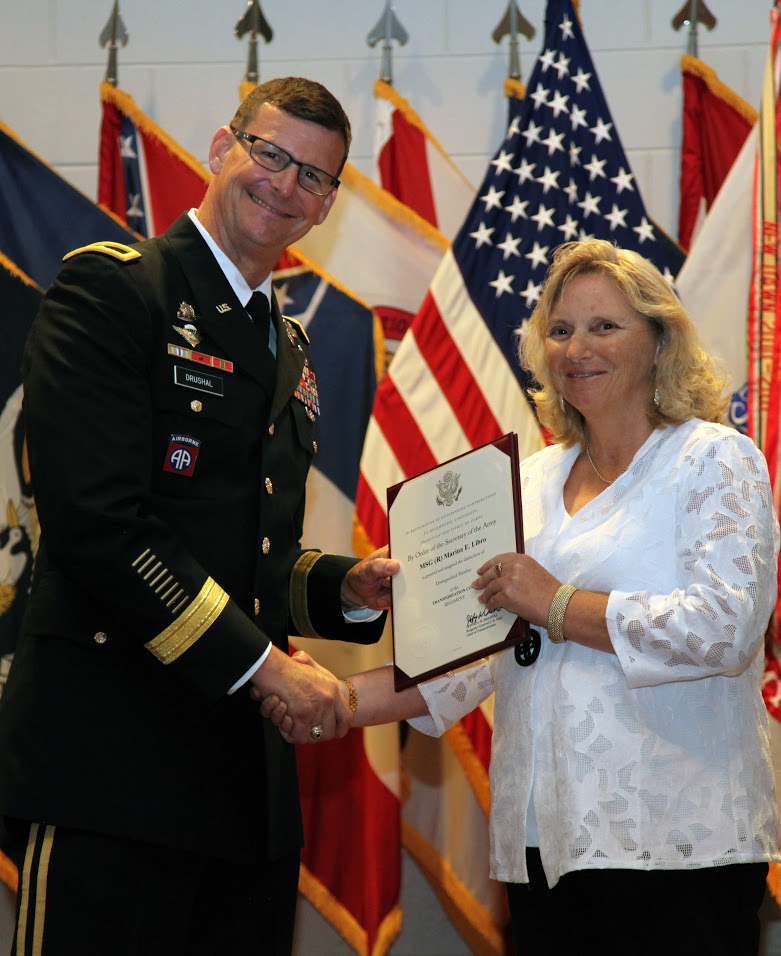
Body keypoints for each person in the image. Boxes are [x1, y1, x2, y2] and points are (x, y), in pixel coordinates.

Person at [265, 239, 780, 955]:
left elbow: (726, 627)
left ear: (660, 341)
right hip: (540, 845)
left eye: (604, 326)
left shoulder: (713, 457)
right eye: (560, 329)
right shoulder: (527, 482)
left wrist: (558, 603)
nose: (577, 348)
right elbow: (476, 651)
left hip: (674, 846)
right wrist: (340, 701)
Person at [0, 76, 398, 956]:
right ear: (222, 149)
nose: (284, 185)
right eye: (270, 154)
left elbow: (251, 551)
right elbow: (100, 525)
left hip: (244, 790)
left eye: (313, 177)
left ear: (327, 205)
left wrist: (346, 591)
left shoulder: (287, 343)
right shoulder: (116, 291)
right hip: (112, 766)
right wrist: (265, 666)